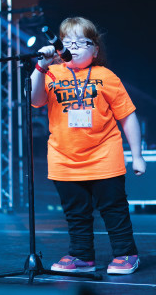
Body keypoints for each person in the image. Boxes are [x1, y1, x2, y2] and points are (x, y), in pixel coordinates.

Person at [31, 17, 146, 274]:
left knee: (114, 209)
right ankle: (82, 256)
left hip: (104, 154)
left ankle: (126, 253)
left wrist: (137, 155)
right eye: (68, 41)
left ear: (95, 49)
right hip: (63, 157)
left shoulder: (106, 76)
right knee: (76, 213)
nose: (74, 46)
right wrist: (40, 67)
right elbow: (36, 100)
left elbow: (127, 116)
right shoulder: (51, 72)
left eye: (82, 42)